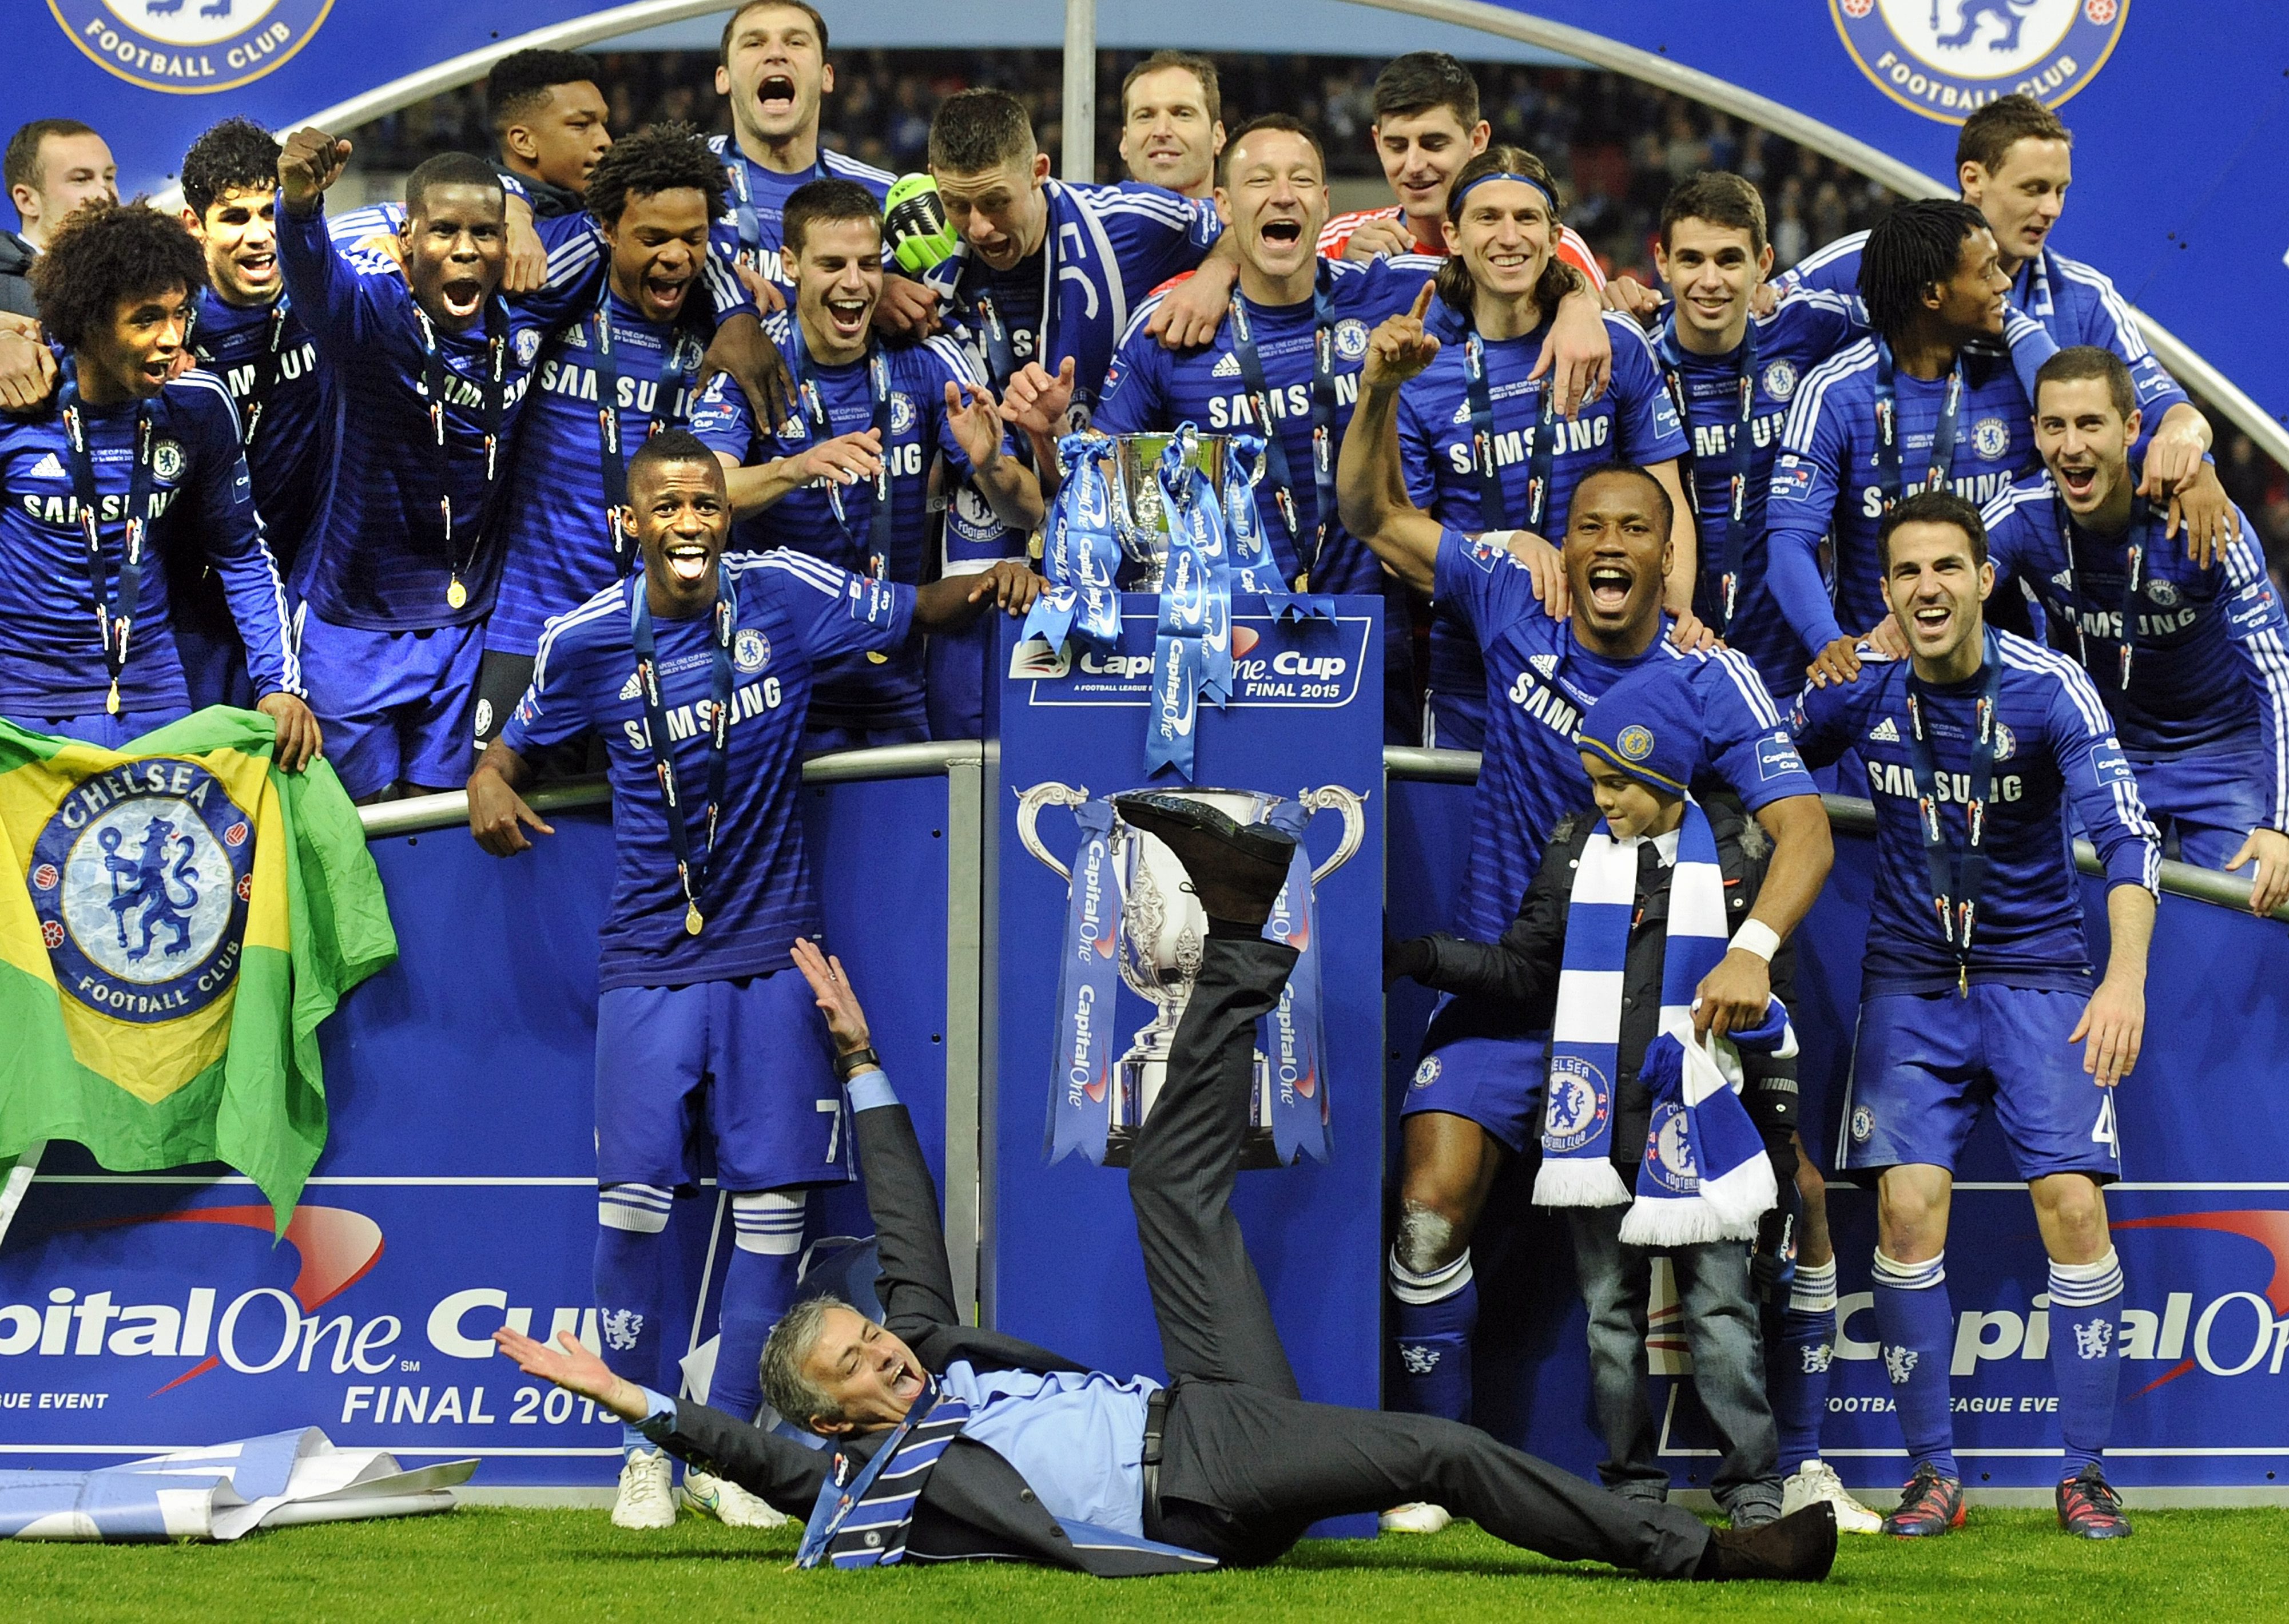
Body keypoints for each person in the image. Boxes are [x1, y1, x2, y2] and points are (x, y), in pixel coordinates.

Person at [492, 788, 1839, 1582]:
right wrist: (625, 1397)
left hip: (1197, 1408)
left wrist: (858, 1061)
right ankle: (1707, 1554)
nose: (885, 1351)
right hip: (1193, 1484)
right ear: (831, 1418)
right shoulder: (875, 1476)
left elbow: (903, 1233)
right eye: (855, 1362)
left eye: (868, 1336)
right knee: (1443, 1451)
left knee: (1167, 1189)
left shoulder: (933, 1357)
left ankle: (1239, 931)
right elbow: (757, 1458)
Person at [466, 430, 1042, 1533]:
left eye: (705, 503)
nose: (689, 522)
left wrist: (998, 576)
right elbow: (516, 743)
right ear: (631, 523)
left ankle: (725, 1451)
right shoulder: (586, 636)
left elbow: (912, 609)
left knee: (772, 1214)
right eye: (667, 505)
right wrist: (490, 778)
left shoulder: (783, 591)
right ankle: (644, 1450)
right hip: (649, 957)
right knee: (631, 1215)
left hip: (775, 952)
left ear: (726, 516)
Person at [1342, 304, 1832, 1528]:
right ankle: (1440, 1465)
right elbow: (1372, 514)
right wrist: (1379, 392)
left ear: (1669, 559)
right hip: (1514, 1000)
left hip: (1650, 1018)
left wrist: (1752, 953)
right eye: (1591, 528)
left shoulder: (1712, 676)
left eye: (1635, 529)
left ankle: (1795, 1464)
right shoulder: (1514, 602)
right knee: (1425, 1207)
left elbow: (1806, 833)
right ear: (1564, 548)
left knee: (1777, 1214)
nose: (1610, 545)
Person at [1790, 489, 2160, 1540]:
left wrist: (2123, 981)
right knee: (1906, 1212)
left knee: (2072, 1207)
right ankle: (1932, 1476)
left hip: (2039, 975)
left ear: (1984, 579)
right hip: (1909, 984)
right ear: (1884, 590)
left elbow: (2127, 840)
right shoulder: (1864, 688)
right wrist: (1798, 678)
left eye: (1946, 567)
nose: (1927, 588)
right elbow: (1756, 752)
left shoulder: (2048, 688)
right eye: (1906, 571)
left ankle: (2085, 1472)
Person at [1386, 664, 1808, 1529]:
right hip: (1594, 1125)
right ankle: (1629, 1485)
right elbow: (1525, 968)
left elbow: (1775, 1006)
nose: (1602, 798)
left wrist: (1773, 1130)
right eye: (1594, 780)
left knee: (1722, 1313)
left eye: (1618, 781)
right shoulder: (1575, 845)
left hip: (1702, 1129)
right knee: (1610, 1318)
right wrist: (1425, 955)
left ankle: (1751, 1488)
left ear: (1664, 772)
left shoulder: (1739, 851)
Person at [276, 128, 608, 801]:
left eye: (484, 233)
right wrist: (300, 206)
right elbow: (312, 276)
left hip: (462, 629)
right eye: (444, 231)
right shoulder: (371, 315)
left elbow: (619, 231)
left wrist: (736, 307)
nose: (465, 249)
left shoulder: (527, 314)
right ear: (407, 239)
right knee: (359, 830)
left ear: (506, 243)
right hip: (350, 627)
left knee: (439, 826)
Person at [1094, 116, 1444, 739]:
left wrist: (1583, 299)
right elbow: (1100, 478)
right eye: (1260, 181)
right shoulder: (1170, 329)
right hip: (1226, 657)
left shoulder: (1391, 296)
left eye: (1301, 180)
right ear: (1225, 205)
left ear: (1325, 204)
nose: (1283, 195)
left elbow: (1518, 272)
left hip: (1367, 649)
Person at [1777, 95, 2233, 557]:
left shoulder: (2084, 299)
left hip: (2025, 579)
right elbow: (1764, 314)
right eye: (2033, 189)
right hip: (1891, 572)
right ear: (1973, 178)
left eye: (2061, 191)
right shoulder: (1878, 260)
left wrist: (2194, 456)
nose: (2052, 209)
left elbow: (2168, 410)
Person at [688, 179, 1043, 750]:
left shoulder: (928, 358)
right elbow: (700, 497)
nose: (854, 283)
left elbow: (1026, 510)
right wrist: (796, 468)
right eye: (832, 264)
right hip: (774, 685)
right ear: (790, 264)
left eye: (868, 264)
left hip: (893, 684)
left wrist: (989, 466)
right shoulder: (755, 361)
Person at [1370, 148, 1693, 751]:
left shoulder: (1613, 345)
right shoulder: (1424, 367)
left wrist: (1673, 622)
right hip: (1474, 682)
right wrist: (1502, 547)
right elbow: (1400, 546)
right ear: (1453, 236)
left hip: (1609, 668)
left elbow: (1667, 499)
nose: (1509, 236)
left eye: (1526, 218)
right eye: (1488, 218)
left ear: (1555, 236)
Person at [0, 201, 316, 767]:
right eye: (146, 319)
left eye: (180, 314)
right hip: (22, 700)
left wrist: (280, 683)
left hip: (153, 692)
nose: (172, 338)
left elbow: (241, 555)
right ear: (88, 321)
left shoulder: (200, 406)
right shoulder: (17, 405)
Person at [1984, 347, 2289, 912]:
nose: (2071, 445)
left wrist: (2281, 824)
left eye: (2090, 424)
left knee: (2251, 910)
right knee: (2067, 911)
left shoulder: (2204, 520)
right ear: (2035, 431)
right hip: (2105, 749)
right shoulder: (2020, 515)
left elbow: (2278, 676)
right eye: (2055, 426)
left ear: (2130, 429)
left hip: (2225, 754)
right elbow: (1942, 588)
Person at [476, 123, 734, 761]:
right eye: (653, 238)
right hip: (531, 622)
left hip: (661, 629)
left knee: (653, 805)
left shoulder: (721, 334)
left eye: (692, 239)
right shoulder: (557, 293)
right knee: (495, 793)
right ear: (609, 231)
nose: (676, 256)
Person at [1766, 199, 2045, 675]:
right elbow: (1790, 542)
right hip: (1884, 666)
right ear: (1933, 294)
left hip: (2004, 672)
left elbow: (2094, 431)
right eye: (1987, 272)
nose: (2004, 284)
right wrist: (1829, 643)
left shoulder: (2015, 378)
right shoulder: (1836, 393)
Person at [1645, 172, 1865, 701]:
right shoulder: (1639, 357)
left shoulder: (1807, 325)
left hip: (1797, 660)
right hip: (1681, 647)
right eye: (1691, 260)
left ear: (1764, 263)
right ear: (1662, 262)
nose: (1710, 280)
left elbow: (1907, 308)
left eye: (1730, 260)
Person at [169, 117, 332, 712]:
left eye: (270, 212)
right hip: (188, 599)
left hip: (304, 590)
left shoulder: (325, 296)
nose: (261, 236)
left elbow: (399, 220)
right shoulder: (166, 325)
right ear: (195, 226)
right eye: (236, 217)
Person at [1315, 53, 1603, 293]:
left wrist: (1582, 303)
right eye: (1397, 146)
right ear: (1378, 143)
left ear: (1477, 140)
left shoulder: (1551, 248)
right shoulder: (1340, 244)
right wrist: (1340, 285)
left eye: (1434, 144)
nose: (1414, 165)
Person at [709, 0, 912, 327]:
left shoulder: (886, 196)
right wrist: (710, 279)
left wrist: (871, 288)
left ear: (826, 77)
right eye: (754, 43)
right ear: (724, 78)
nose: (776, 54)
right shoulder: (677, 176)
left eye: (795, 42)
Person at [1, 120, 117, 319]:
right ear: (27, 200)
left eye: (109, 177)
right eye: (81, 179)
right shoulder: (5, 301)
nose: (107, 195)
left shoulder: (141, 278)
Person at [488, 48, 615, 217]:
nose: (606, 142)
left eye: (604, 124)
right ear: (524, 142)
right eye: (581, 124)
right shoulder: (493, 225)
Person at [1118, 51, 1226, 201]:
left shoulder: (1246, 217)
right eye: (1145, 116)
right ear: (1125, 142)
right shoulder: (1092, 215)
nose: (1161, 131)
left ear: (1217, 137)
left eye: (1183, 114)